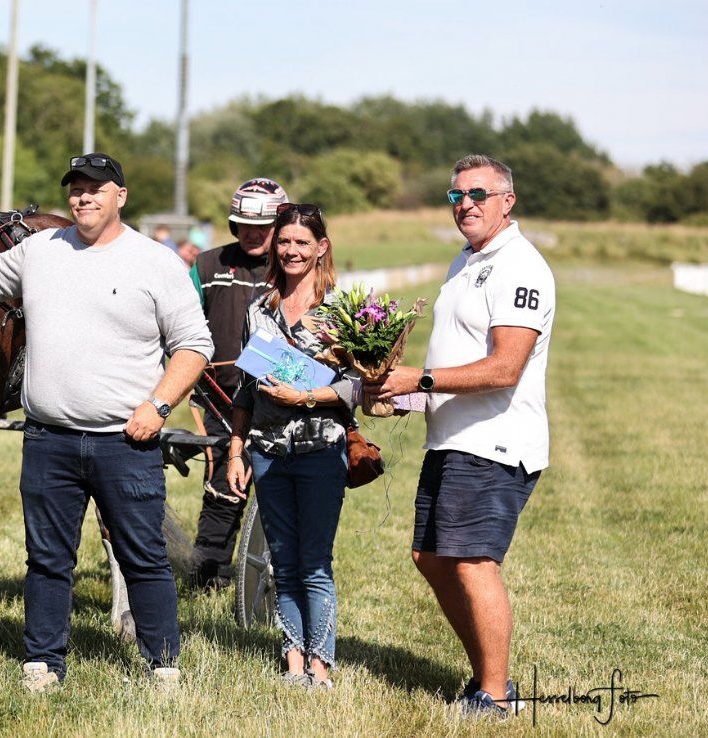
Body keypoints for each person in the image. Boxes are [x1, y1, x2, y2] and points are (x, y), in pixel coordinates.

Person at [0, 153, 213, 690]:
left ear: (120, 196)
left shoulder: (155, 262)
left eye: (96, 188)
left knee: (144, 557)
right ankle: (43, 662)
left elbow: (195, 345)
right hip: (49, 440)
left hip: (125, 442)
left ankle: (163, 664)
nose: (83, 198)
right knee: (47, 559)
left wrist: (157, 406)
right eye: (76, 189)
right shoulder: (41, 251)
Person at [368, 154, 553, 720]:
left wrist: (418, 379)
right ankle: (486, 676)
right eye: (455, 196)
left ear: (507, 201)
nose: (465, 204)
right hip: (451, 438)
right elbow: (453, 360)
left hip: (494, 440)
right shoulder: (466, 261)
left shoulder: (520, 265)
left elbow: (503, 369)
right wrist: (406, 397)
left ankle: (495, 697)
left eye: (477, 194)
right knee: (431, 557)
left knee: (473, 561)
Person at [225, 202, 357, 690]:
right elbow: (244, 388)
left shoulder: (342, 313)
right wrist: (236, 450)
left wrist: (306, 395)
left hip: (321, 450)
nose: (292, 251)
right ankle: (293, 662)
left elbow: (358, 388)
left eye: (302, 242)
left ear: (321, 247)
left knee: (314, 561)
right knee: (282, 558)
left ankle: (321, 666)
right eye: (284, 242)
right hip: (267, 451)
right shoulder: (259, 310)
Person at [187, 177, 288, 590]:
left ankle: (280, 575)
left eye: (262, 227)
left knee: (279, 491)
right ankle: (210, 573)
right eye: (243, 224)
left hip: (281, 399)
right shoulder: (207, 265)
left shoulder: (295, 266)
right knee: (222, 485)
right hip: (218, 398)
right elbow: (183, 322)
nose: (251, 233)